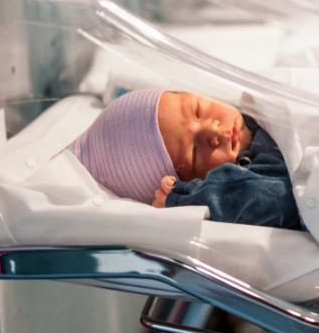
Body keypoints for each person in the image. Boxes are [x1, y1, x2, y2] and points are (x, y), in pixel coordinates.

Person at [69, 88, 300, 229]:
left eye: (198, 110)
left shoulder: (256, 109)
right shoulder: (257, 171)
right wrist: (187, 200)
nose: (213, 130)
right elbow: (278, 197)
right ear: (193, 182)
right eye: (194, 153)